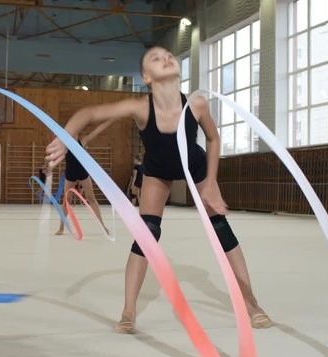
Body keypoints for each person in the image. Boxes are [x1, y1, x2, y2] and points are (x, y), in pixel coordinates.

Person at [46, 46, 271, 333]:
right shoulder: (141, 107)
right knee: (147, 235)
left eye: (168, 55)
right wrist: (65, 139)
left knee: (222, 230)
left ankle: (252, 303)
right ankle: (128, 311)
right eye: (156, 58)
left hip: (196, 168)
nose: (166, 58)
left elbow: (213, 139)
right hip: (157, 172)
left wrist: (212, 181)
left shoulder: (197, 104)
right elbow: (89, 112)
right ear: (146, 76)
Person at [53, 119, 116, 236]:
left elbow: (96, 131)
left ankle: (103, 226)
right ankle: (61, 228)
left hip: (83, 172)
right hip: (70, 173)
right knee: (67, 200)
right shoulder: (65, 143)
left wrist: (107, 122)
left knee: (91, 198)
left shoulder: (83, 140)